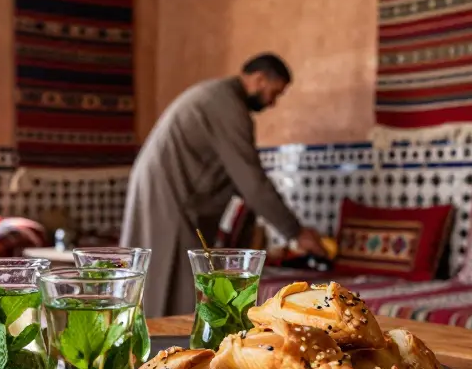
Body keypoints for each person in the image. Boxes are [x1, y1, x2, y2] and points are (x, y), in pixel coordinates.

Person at [121, 53, 329, 318]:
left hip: (171, 194)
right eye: (273, 93)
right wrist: (295, 232)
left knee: (172, 283)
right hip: (170, 197)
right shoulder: (225, 104)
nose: (272, 103)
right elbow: (251, 180)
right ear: (259, 79)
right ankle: (165, 353)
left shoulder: (222, 100)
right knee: (171, 285)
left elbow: (242, 184)